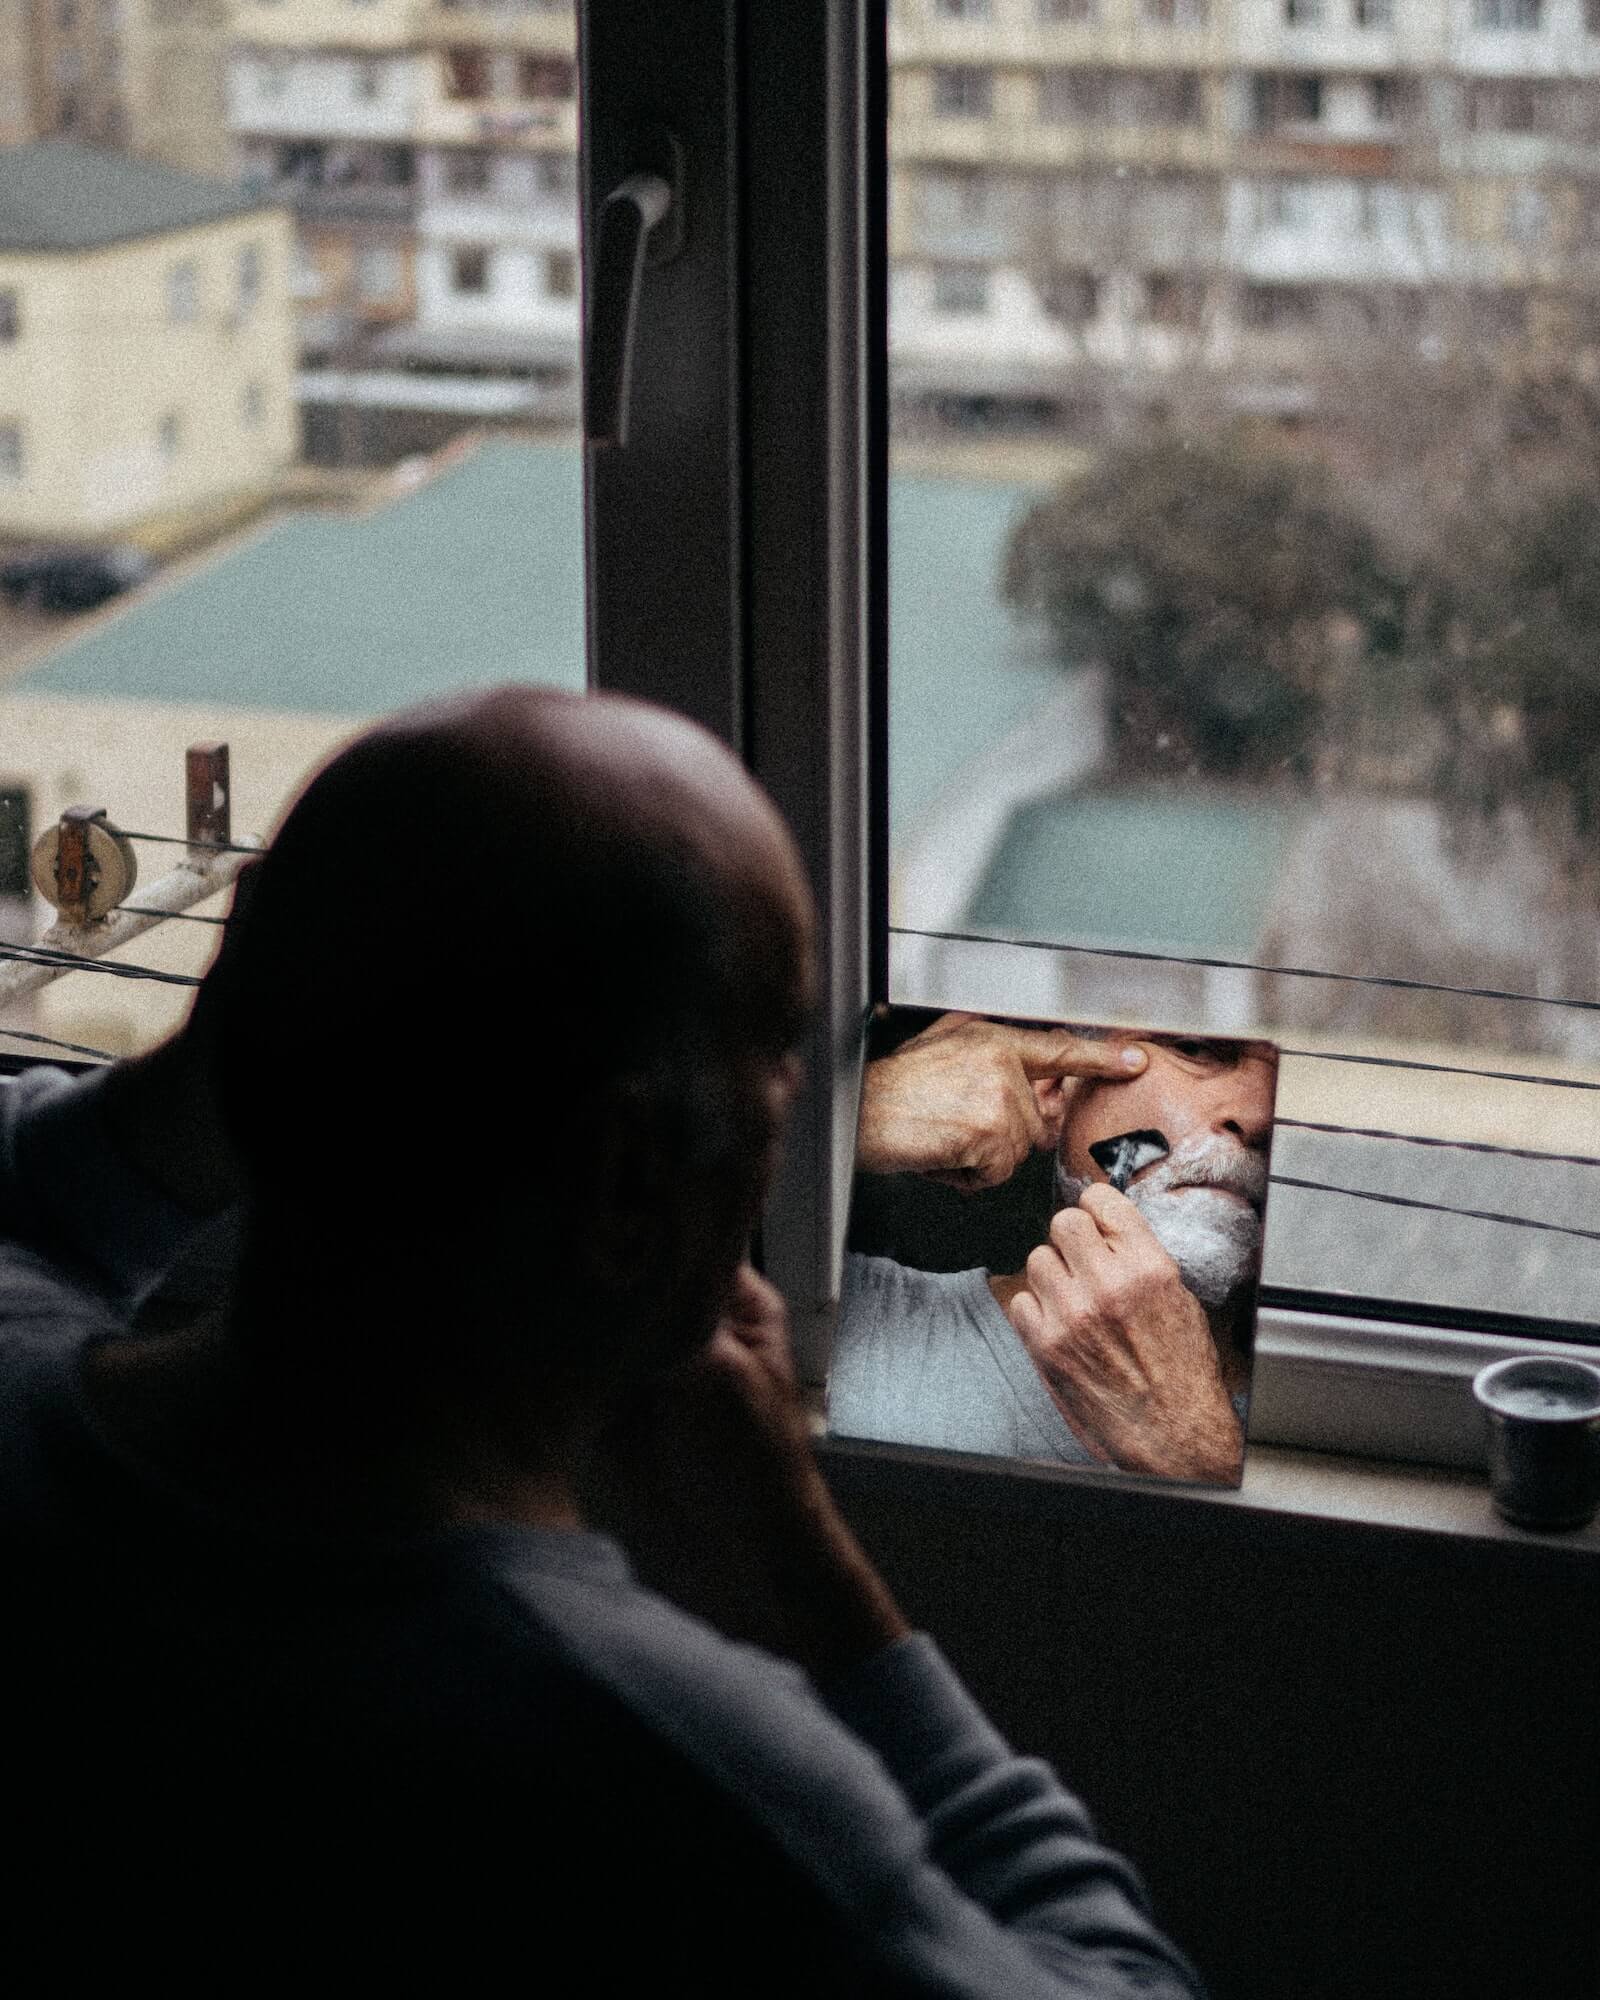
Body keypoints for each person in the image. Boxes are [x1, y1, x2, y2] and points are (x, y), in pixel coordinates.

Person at [0, 687, 1204, 1994]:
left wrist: (243, 1060)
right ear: (631, 1180)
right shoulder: (667, 1766)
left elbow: (41, 1208)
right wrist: (808, 1578)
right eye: (784, 1070)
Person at [829, 1011, 1276, 1485]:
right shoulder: (840, 1320)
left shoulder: (1336, 1407)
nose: (1260, 1117)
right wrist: (865, 1108)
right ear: (1052, 1087)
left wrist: (1197, 1450)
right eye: (1194, 1048)